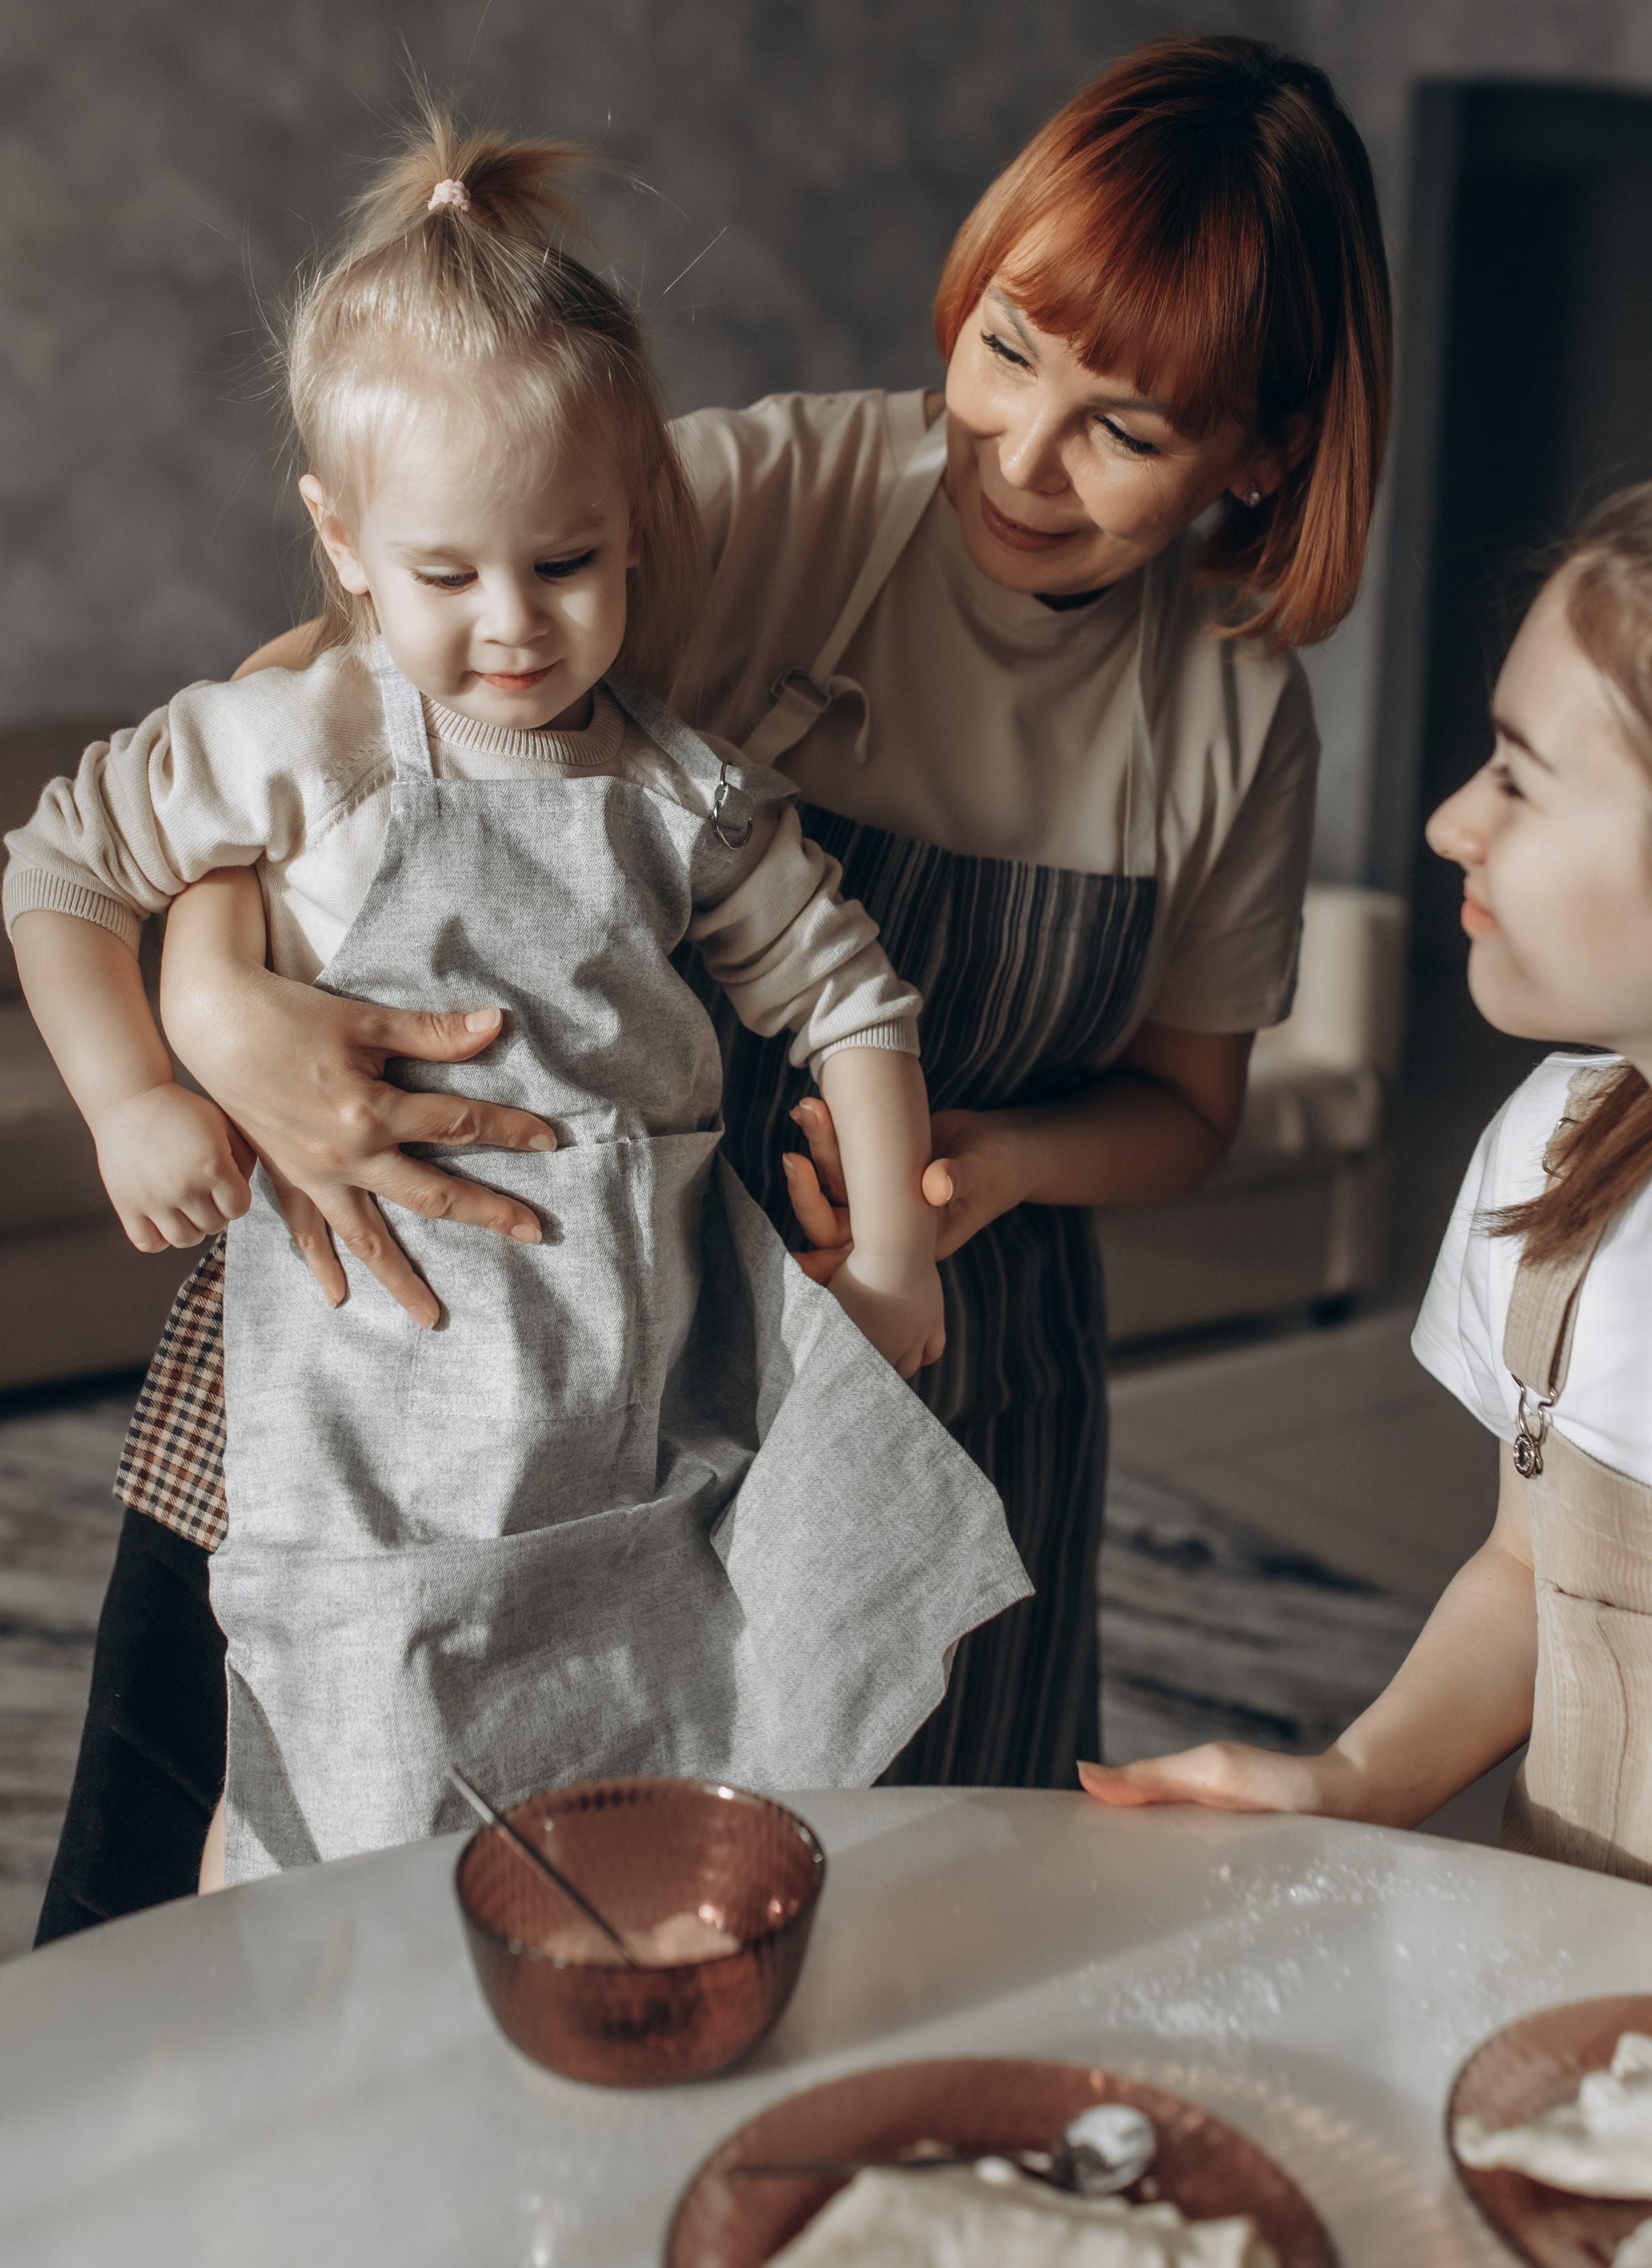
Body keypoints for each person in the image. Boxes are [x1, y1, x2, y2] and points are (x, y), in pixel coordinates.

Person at [42, 33, 1394, 1936]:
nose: (1018, 452)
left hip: (919, 1346)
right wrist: (210, 1014)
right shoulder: (784, 490)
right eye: (1008, 349)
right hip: (466, 1290)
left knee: (867, 1912)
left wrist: (979, 1180)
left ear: (1260, 454)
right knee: (283, 1848)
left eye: (1126, 429)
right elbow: (343, 677)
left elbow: (1185, 1113)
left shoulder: (1237, 721)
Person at [7, 115, 1029, 1899]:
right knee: (342, 1778)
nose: (512, 626)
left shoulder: (685, 796)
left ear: (634, 534)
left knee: (623, 1741)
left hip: (619, 1378)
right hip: (366, 1390)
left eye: (564, 565)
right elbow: (59, 868)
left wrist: (892, 1256)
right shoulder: (298, 742)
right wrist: (132, 1096)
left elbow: (859, 997)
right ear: (343, 546)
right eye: (445, 574)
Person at [1084, 459, 1652, 1911]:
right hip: (1582, 2060)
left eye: (1516, 776)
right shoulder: (1554, 1158)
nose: (1451, 821)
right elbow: (1528, 1583)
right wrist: (1347, 1782)